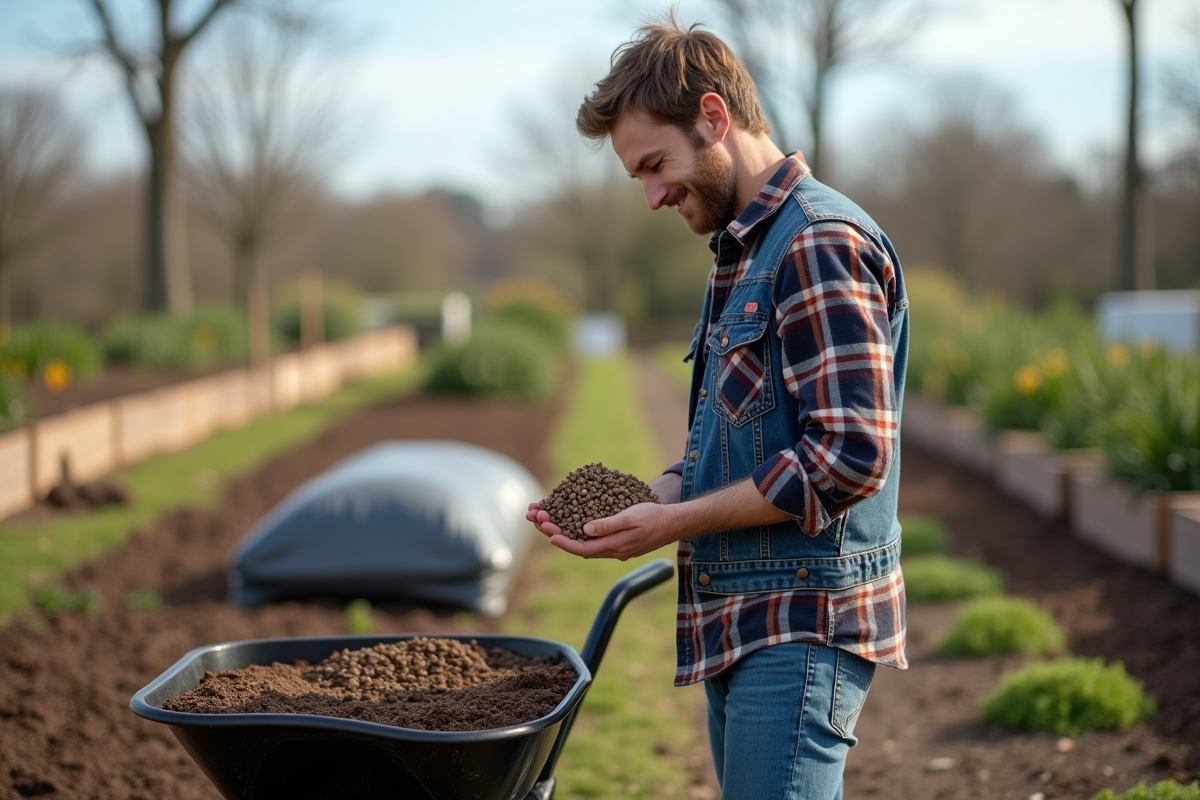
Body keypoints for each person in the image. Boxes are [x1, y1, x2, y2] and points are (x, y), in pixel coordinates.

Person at [527, 14, 909, 800]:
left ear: (713, 117)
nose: (651, 194)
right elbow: (739, 430)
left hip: (801, 626)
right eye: (637, 175)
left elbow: (849, 456)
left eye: (655, 164)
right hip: (744, 620)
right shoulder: (744, 254)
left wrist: (677, 524)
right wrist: (654, 498)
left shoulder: (817, 243)